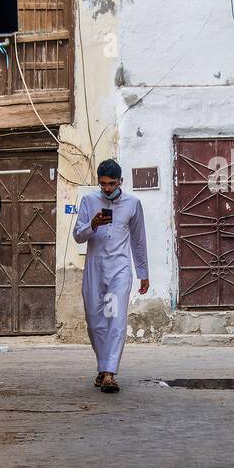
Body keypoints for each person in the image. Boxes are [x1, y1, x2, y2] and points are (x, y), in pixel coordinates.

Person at [73, 160, 149, 394]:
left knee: (115, 318)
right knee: (95, 320)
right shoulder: (88, 201)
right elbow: (77, 236)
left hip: (120, 269)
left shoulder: (132, 204)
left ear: (120, 182)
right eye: (103, 183)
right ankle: (103, 365)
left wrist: (143, 273)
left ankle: (109, 373)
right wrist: (92, 224)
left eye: (111, 183)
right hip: (95, 269)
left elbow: (138, 240)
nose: (107, 188)